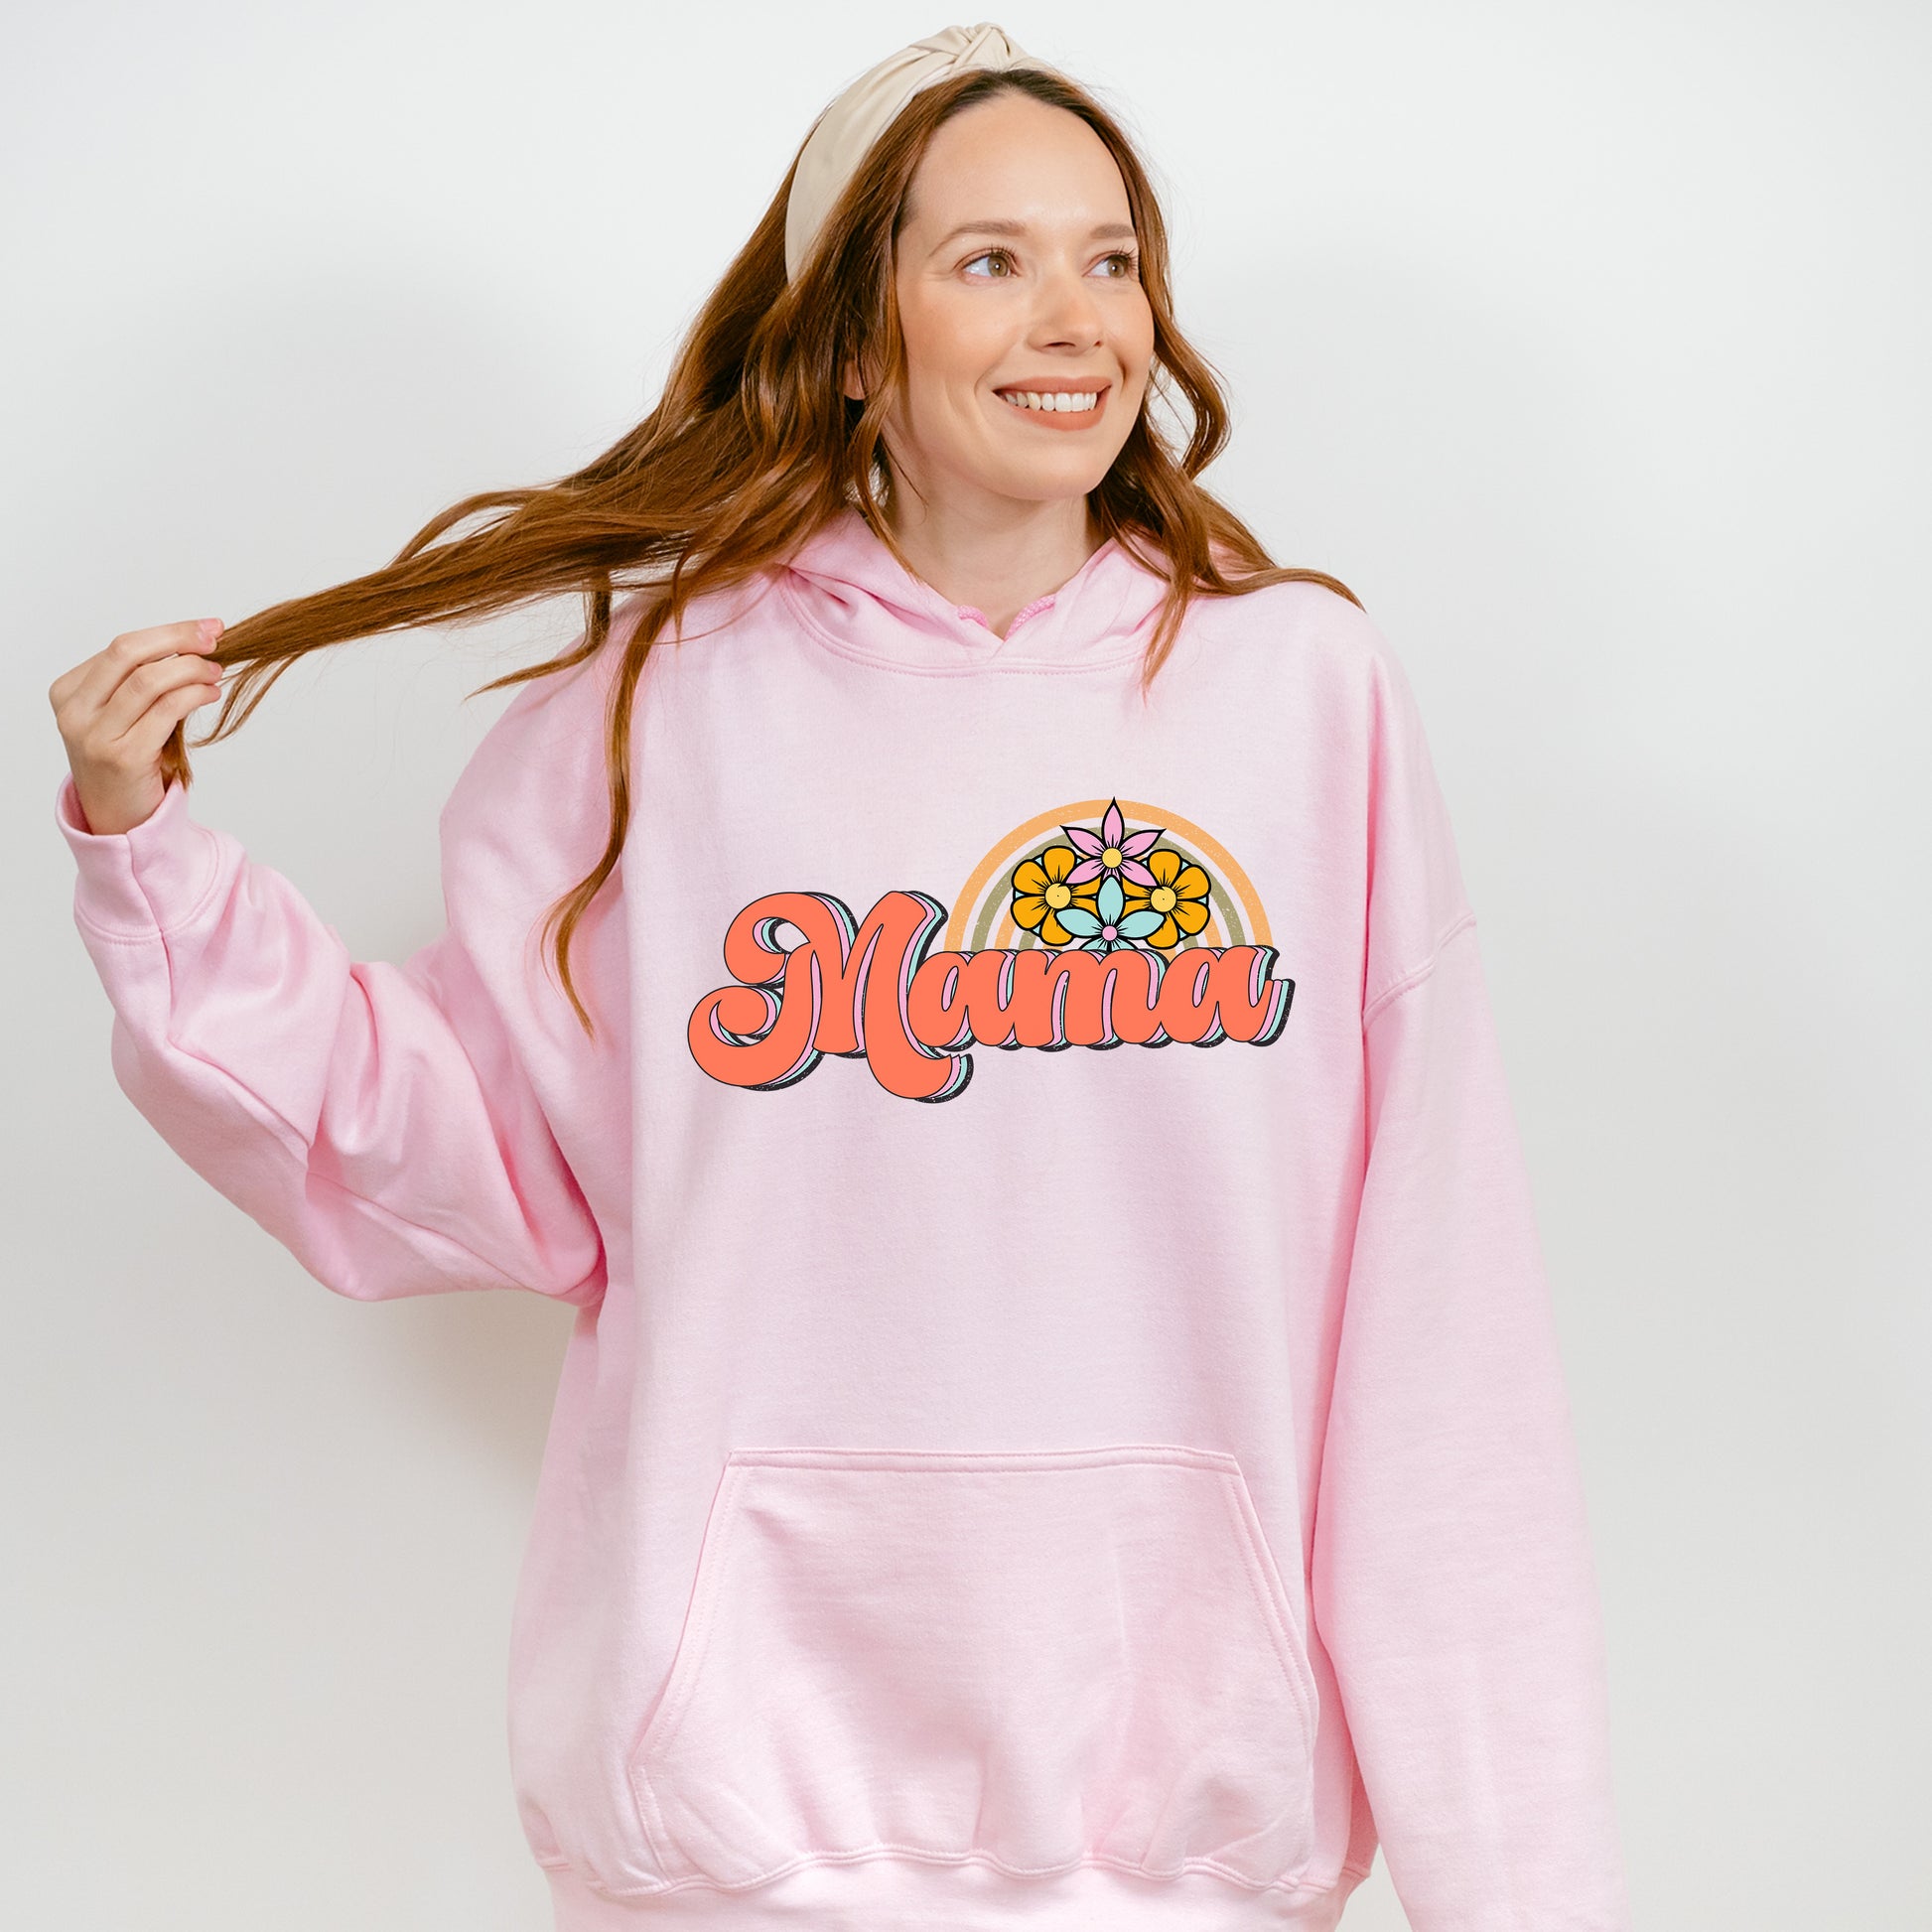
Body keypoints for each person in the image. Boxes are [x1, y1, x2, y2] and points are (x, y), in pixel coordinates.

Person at [47, 22, 1633, 1931]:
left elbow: (1441, 1331)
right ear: (858, 335)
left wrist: (1519, 1893)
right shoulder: (660, 707)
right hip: (745, 1838)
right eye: (991, 259)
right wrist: (148, 852)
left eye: (1111, 259)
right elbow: (444, 1143)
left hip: (1190, 1846)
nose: (1074, 319)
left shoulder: (1304, 699)